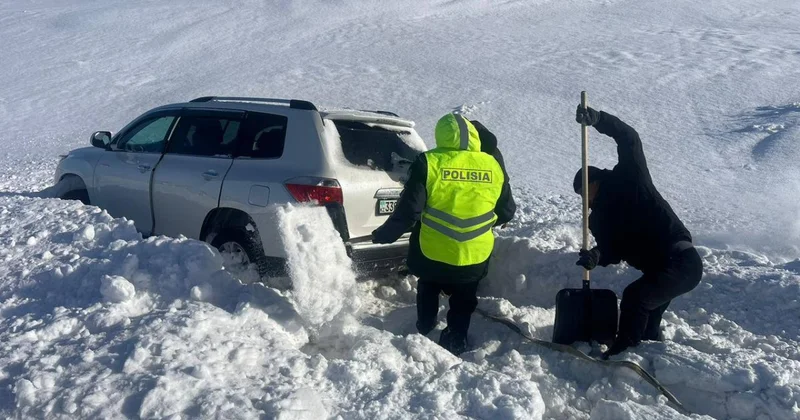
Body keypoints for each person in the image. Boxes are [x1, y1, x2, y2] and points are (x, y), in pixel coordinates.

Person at [371, 113, 516, 355]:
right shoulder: (493, 165)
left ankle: (426, 328)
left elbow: (410, 211)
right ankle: (456, 337)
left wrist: (384, 235)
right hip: (474, 255)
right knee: (465, 294)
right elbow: (507, 211)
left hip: (433, 254)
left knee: (428, 284)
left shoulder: (429, 162)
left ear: (441, 135)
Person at [573, 104, 704, 359]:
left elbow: (628, 138)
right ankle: (652, 358)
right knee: (647, 319)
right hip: (660, 269)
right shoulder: (598, 219)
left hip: (682, 261)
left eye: (583, 193)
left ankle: (624, 355)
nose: (583, 201)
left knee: (636, 297)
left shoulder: (630, 177)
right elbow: (613, 249)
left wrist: (599, 120)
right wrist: (596, 256)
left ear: (593, 182)